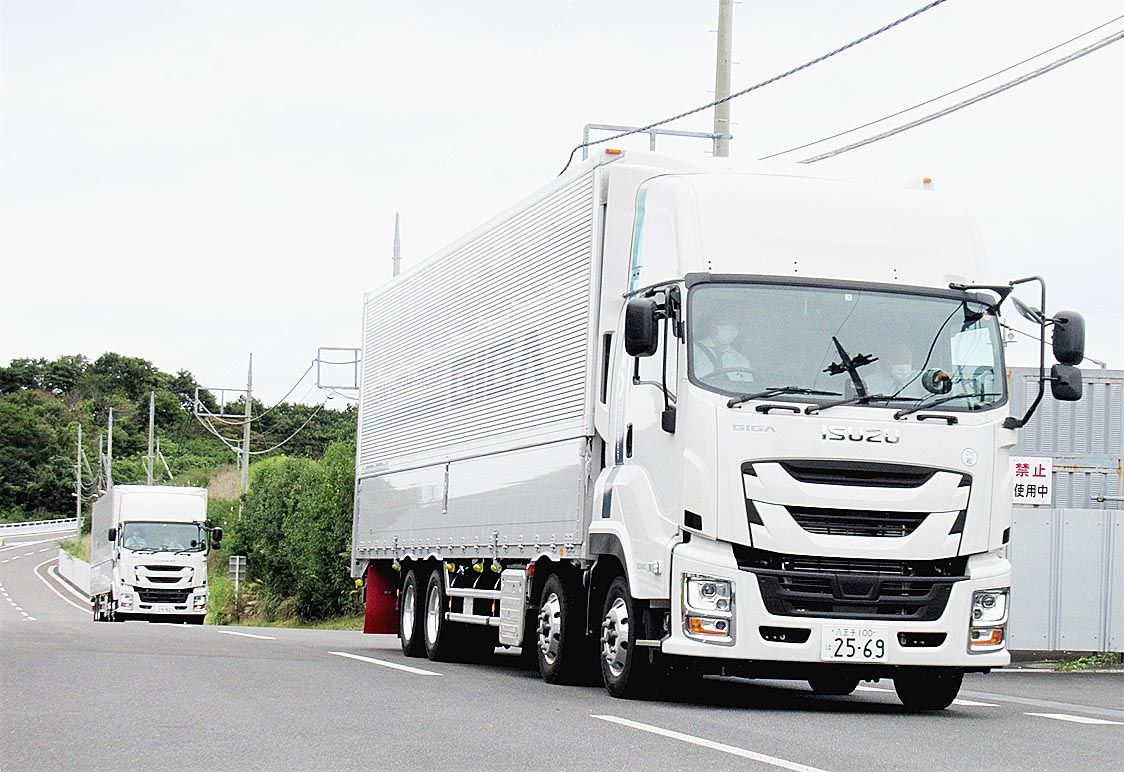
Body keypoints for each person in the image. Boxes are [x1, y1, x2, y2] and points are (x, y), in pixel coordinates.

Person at [693, 311, 754, 386]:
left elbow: (747, 388)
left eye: (734, 325)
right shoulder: (693, 351)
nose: (730, 328)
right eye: (725, 323)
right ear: (712, 326)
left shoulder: (742, 362)